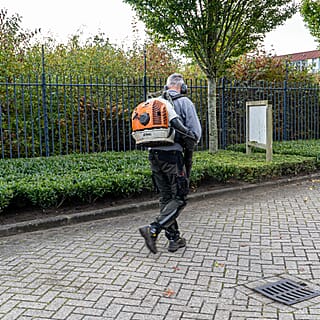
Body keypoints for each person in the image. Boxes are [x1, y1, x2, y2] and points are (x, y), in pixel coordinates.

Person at [139, 73, 202, 254]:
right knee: (180, 198)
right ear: (182, 87)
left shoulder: (155, 103)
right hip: (172, 157)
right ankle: (153, 229)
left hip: (154, 156)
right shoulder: (184, 102)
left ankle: (174, 239)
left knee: (166, 198)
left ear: (167, 87)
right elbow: (195, 134)